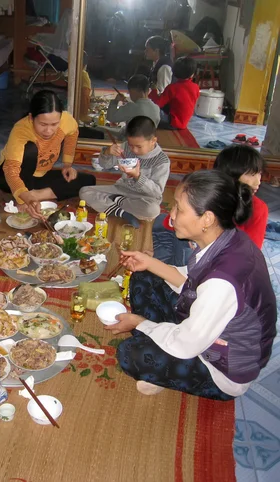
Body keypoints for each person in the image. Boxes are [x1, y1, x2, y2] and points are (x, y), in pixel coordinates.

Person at [108, 170, 276, 400]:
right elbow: (191, 283)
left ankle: (158, 352)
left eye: (179, 208)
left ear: (207, 218)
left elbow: (187, 344)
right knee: (144, 274)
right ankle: (160, 339)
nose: (172, 215)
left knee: (130, 354)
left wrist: (139, 323)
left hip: (223, 368)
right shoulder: (227, 238)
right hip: (206, 326)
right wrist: (149, 262)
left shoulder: (223, 282)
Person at [153, 145, 269, 265]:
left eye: (259, 174)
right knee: (161, 222)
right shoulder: (210, 194)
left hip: (219, 260)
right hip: (195, 243)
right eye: (252, 175)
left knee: (177, 251)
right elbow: (170, 221)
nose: (258, 181)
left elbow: (250, 253)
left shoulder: (258, 208)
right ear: (232, 175)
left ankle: (166, 268)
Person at [0, 90, 96, 219]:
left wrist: (67, 164)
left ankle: (35, 194)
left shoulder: (66, 120)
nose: (48, 131)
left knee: (88, 181)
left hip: (39, 176)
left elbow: (72, 133)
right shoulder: (21, 130)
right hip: (9, 176)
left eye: (54, 124)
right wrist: (24, 199)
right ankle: (24, 195)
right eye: (43, 124)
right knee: (31, 149)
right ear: (31, 118)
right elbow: (11, 170)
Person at [79, 116, 170, 228]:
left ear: (153, 141)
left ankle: (116, 202)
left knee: (153, 210)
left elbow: (156, 192)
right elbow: (105, 165)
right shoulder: (126, 146)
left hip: (145, 198)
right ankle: (123, 212)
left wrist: (138, 176)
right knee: (84, 192)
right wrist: (107, 152)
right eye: (131, 145)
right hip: (121, 189)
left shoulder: (162, 161)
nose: (134, 150)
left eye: (138, 146)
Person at [149, 56, 200, 130]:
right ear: (192, 74)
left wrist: (153, 91)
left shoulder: (172, 88)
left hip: (172, 122)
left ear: (174, 72)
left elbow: (157, 103)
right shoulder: (196, 87)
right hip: (184, 121)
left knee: (149, 110)